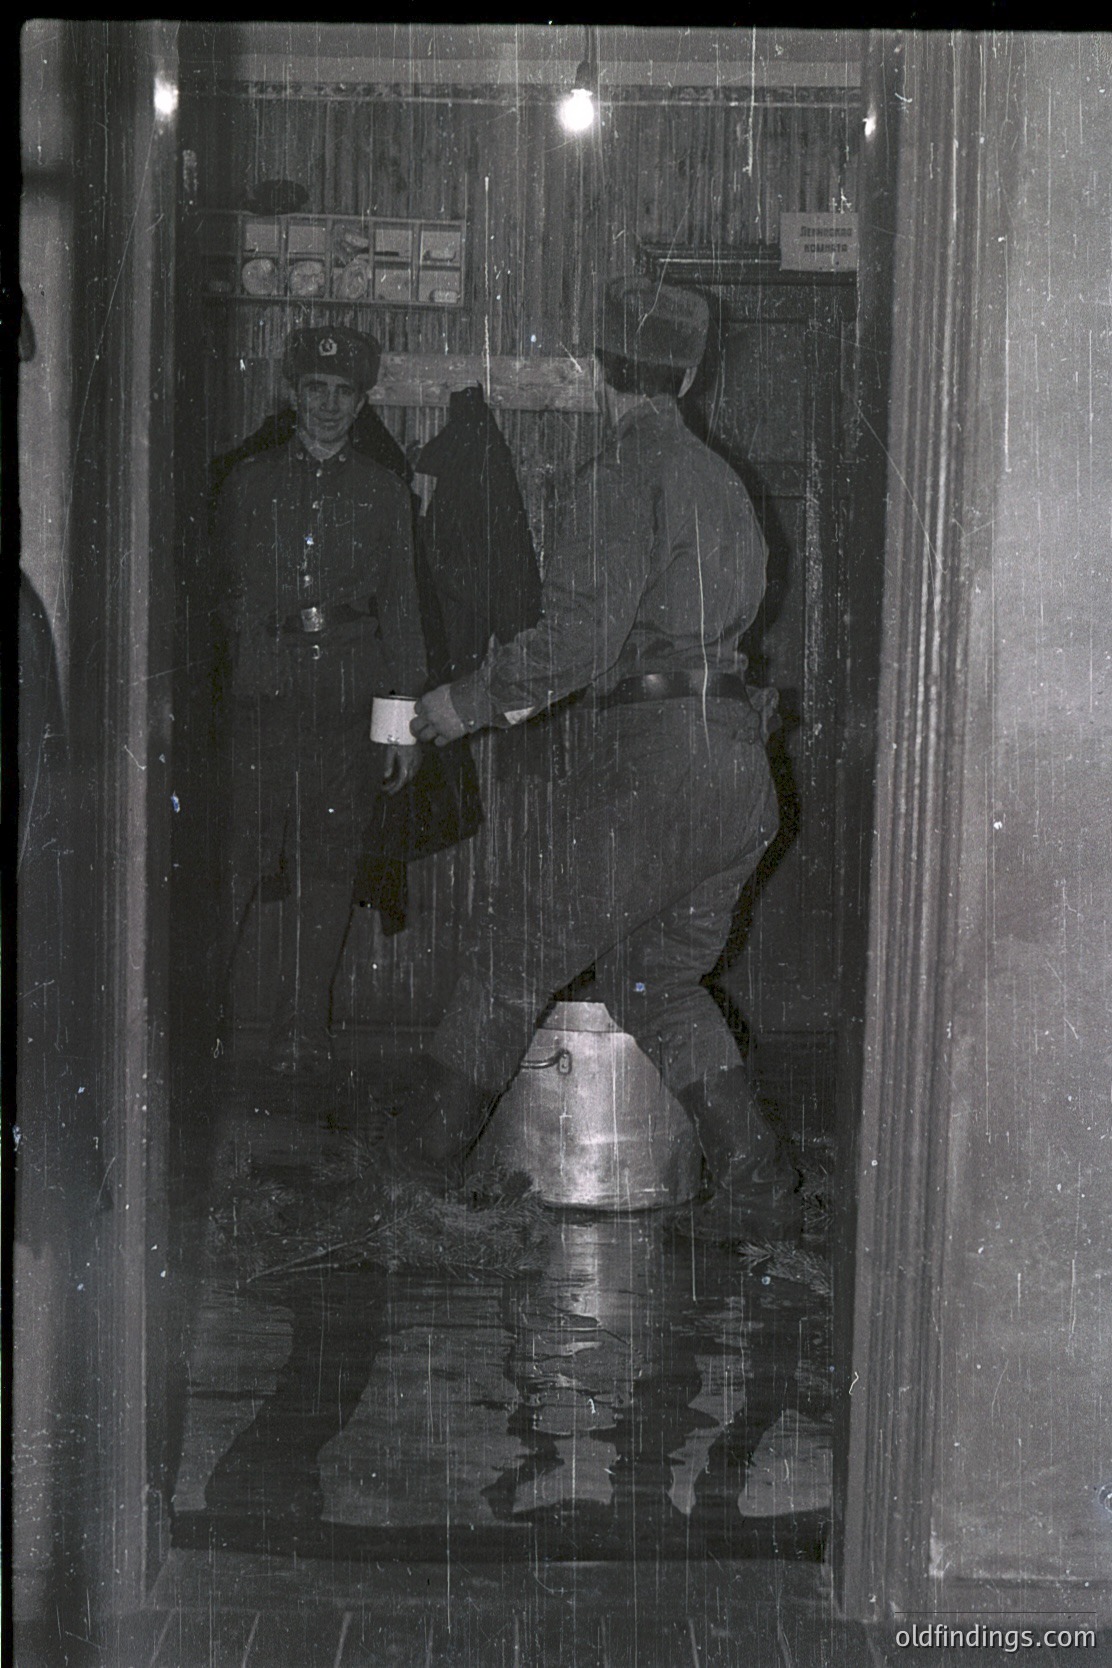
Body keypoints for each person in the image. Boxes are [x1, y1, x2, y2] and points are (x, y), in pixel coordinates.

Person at [396, 275, 801, 1239]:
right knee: (656, 982)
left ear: (593, 375)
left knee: (507, 954)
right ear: (692, 371)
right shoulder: (723, 481)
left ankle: (408, 1186)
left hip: (662, 762)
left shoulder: (623, 476)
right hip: (741, 766)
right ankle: (761, 1186)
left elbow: (579, 639)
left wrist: (468, 700)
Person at [212, 325, 427, 1075]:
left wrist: (402, 727)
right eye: (315, 390)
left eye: (345, 393)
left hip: (347, 697)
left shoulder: (383, 491)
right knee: (239, 855)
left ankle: (301, 1029)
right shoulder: (246, 483)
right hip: (262, 697)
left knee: (328, 865)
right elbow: (220, 597)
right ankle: (196, 1018)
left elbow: (402, 608)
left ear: (362, 400)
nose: (330, 405)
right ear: (290, 394)